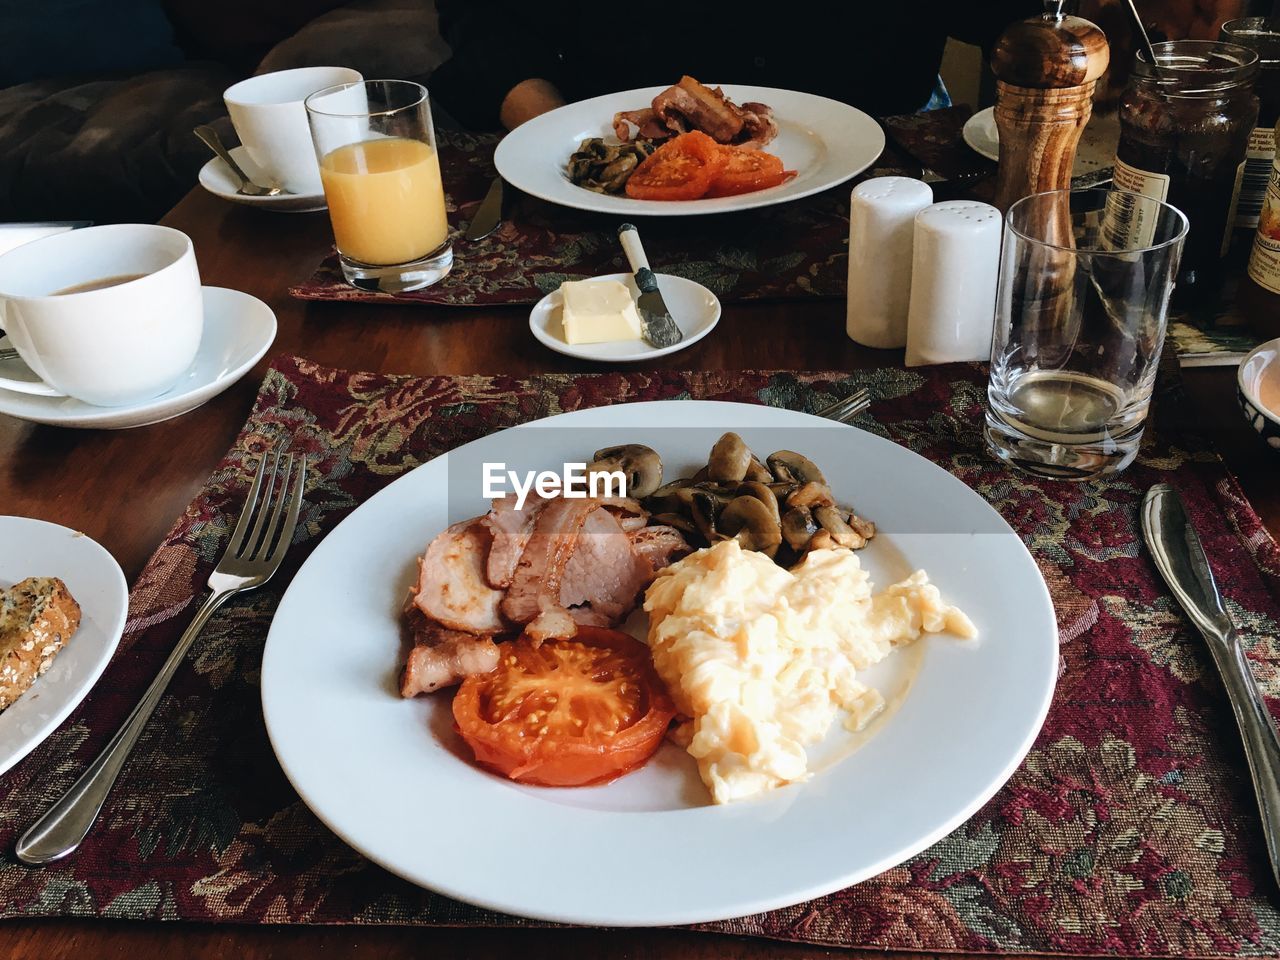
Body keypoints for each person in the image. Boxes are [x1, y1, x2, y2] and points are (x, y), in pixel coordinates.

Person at [429, 1, 1041, 131]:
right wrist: (561, 140)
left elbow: (1016, 18)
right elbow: (487, 17)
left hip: (888, 147)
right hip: (611, 151)